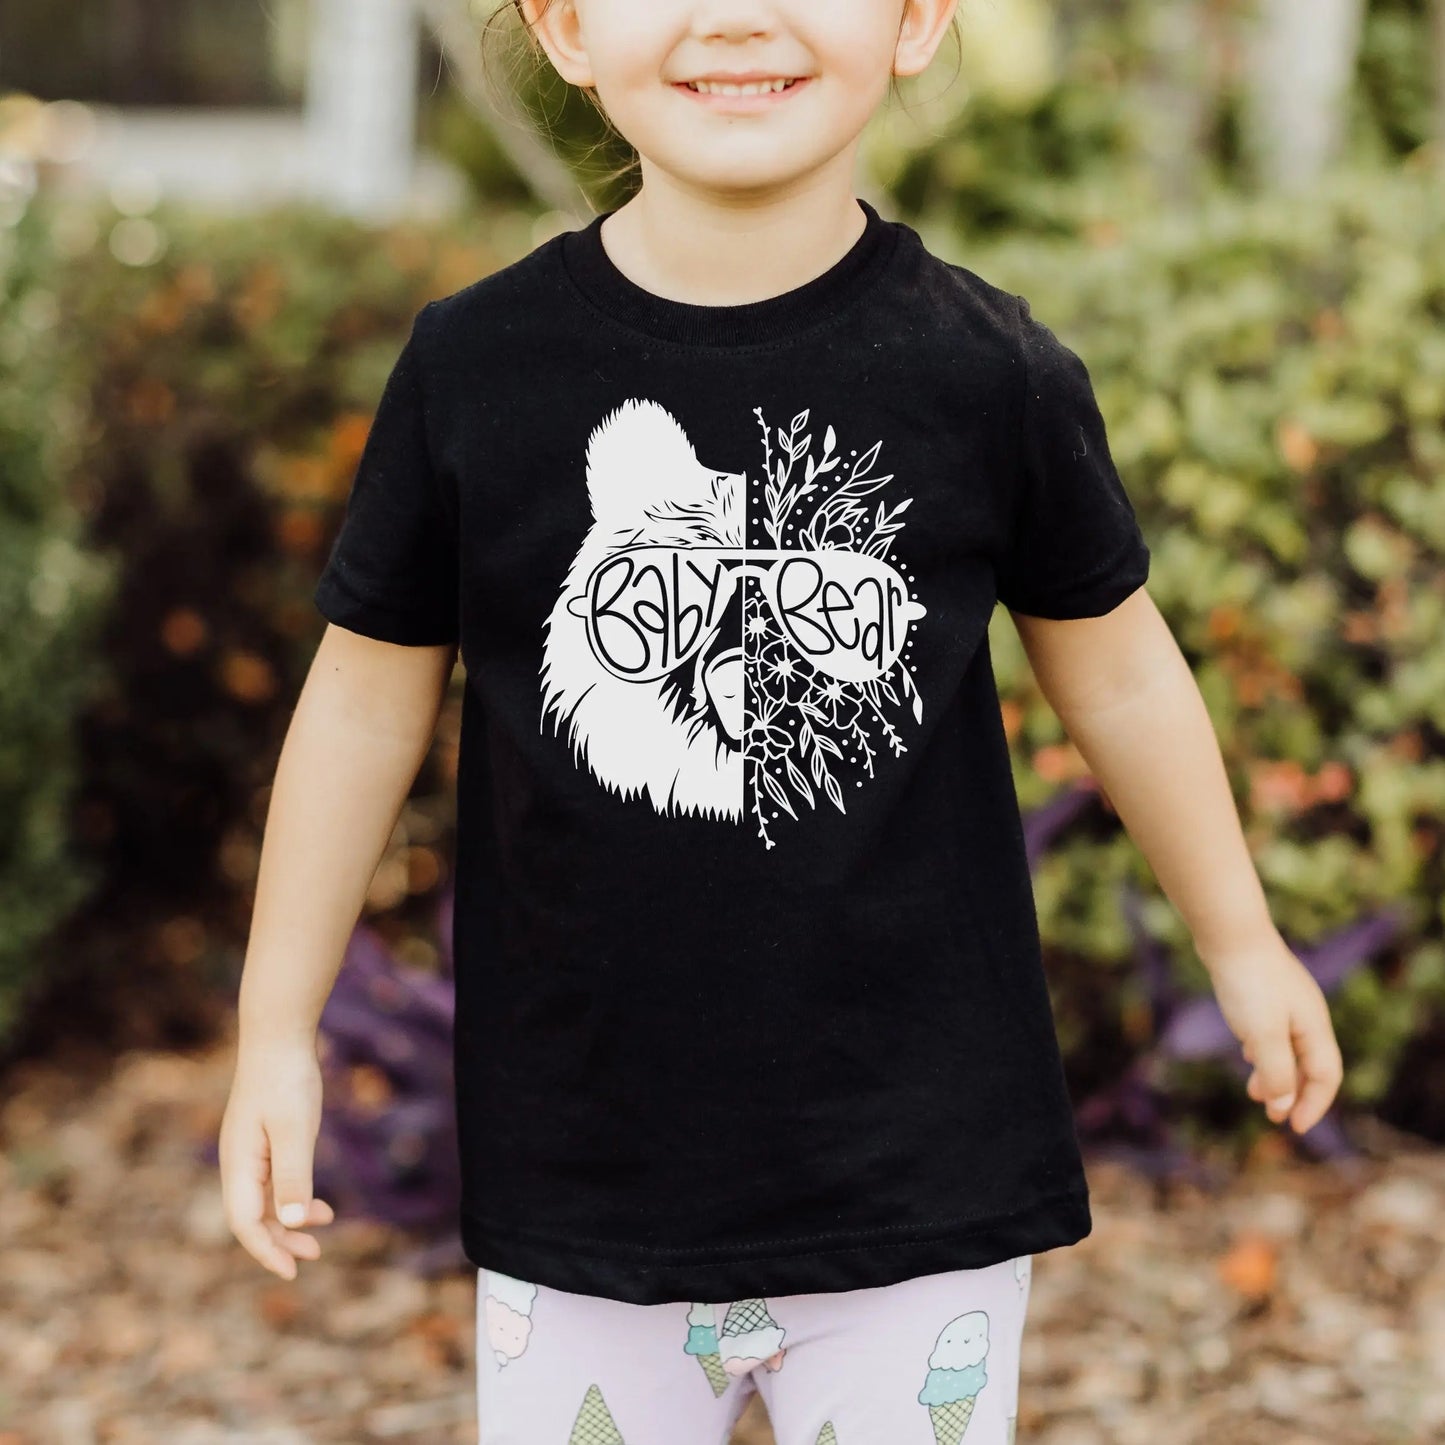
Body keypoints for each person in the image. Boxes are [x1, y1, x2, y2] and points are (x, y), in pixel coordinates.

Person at [219, 2, 1346, 1441]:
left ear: (919, 18)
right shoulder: (472, 369)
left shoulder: (986, 371)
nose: (733, 14)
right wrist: (273, 1031)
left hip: (916, 1183)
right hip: (582, 1184)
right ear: (563, 27)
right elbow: (365, 704)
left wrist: (1242, 941)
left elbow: (1120, 673)